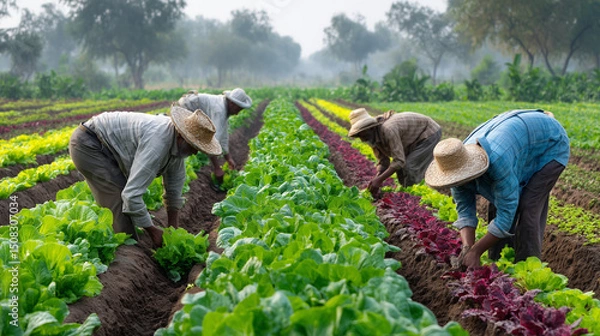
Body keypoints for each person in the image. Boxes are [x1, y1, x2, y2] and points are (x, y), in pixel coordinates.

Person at [424, 109, 569, 268]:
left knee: (528, 207)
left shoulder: (497, 162)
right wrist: (468, 248)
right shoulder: (453, 165)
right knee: (498, 201)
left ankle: (528, 268)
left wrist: (477, 251)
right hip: (519, 141)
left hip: (550, 144)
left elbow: (507, 211)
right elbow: (465, 211)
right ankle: (497, 263)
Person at [69, 106, 222, 247]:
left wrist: (173, 230)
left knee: (127, 209)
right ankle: (126, 250)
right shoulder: (158, 142)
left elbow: (174, 189)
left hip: (107, 149)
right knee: (118, 202)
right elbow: (131, 196)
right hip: (89, 144)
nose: (195, 153)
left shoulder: (176, 145)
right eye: (193, 146)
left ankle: (132, 241)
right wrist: (152, 230)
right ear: (182, 137)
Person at [347, 108, 442, 197]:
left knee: (409, 167)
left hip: (428, 132)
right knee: (401, 170)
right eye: (358, 135)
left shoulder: (388, 130)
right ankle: (407, 193)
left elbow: (399, 161)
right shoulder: (371, 137)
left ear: (370, 128)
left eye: (362, 134)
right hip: (411, 139)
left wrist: (379, 180)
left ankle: (415, 196)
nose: (362, 139)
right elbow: (383, 161)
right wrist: (376, 179)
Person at [178, 88, 252, 186]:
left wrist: (228, 158)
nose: (238, 113)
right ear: (232, 104)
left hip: (192, 105)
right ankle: (180, 169)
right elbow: (212, 141)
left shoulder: (225, 106)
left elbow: (224, 135)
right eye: (238, 109)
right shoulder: (219, 110)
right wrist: (217, 168)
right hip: (187, 106)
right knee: (184, 142)